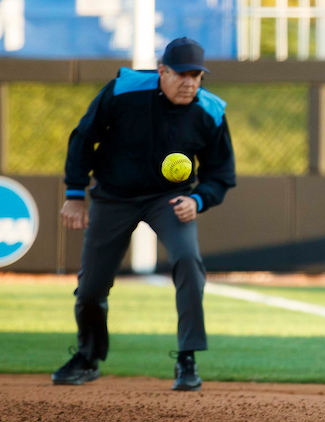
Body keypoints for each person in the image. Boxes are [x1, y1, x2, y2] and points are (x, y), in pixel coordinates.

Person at [52, 37, 236, 391]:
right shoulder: (123, 90)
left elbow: (221, 174)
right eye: (182, 74)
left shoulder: (210, 110)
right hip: (112, 197)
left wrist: (197, 200)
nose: (190, 83)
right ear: (162, 70)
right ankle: (88, 358)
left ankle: (187, 359)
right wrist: (75, 194)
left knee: (188, 263)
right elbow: (82, 137)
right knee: (91, 288)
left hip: (169, 200)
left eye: (197, 75)